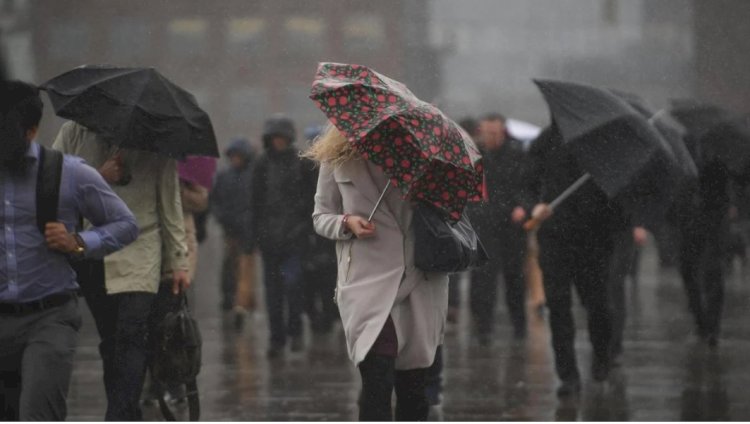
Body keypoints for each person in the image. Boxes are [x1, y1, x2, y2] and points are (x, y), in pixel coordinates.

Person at [0, 80, 138, 420]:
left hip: (49, 318)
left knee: (38, 412)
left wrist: (78, 242)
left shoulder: (67, 173)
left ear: (31, 131)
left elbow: (126, 225)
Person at [308, 124, 449, 421]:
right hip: (366, 283)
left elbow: (448, 213)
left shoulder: (420, 155)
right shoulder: (335, 157)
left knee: (413, 389)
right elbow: (321, 216)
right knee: (376, 382)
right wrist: (347, 223)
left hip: (417, 279)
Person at [53, 120, 190, 421]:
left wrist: (178, 260)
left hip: (142, 249)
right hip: (93, 248)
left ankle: (119, 414)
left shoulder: (156, 138)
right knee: (111, 340)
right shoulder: (74, 131)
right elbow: (51, 182)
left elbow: (170, 201)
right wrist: (97, 176)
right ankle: (125, 409)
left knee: (132, 333)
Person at [527, 124, 628, 397]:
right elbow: (526, 182)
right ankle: (567, 375)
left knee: (598, 307)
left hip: (593, 243)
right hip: (555, 240)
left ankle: (601, 357)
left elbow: (619, 197)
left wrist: (608, 222)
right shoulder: (545, 141)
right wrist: (534, 205)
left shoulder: (605, 146)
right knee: (558, 309)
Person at [251, 115, 317, 357]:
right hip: (269, 239)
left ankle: (295, 331)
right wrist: (256, 236)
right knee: (273, 294)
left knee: (294, 286)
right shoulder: (261, 165)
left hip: (295, 237)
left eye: (282, 137)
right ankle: (276, 339)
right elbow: (255, 202)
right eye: (274, 137)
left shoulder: (302, 163)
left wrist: (307, 230)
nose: (278, 142)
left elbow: (312, 200)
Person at [468, 113, 532, 343]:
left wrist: (522, 206)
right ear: (481, 131)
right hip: (484, 223)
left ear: (503, 131)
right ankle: (483, 328)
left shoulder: (517, 154)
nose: (491, 137)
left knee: (515, 278)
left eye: (495, 132)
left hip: (512, 225)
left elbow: (528, 185)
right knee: (483, 279)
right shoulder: (474, 155)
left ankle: (519, 326)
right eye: (488, 132)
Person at [210, 138, 256, 327]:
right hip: (230, 229)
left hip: (249, 230)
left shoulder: (252, 176)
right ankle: (230, 298)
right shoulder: (224, 177)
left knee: (245, 267)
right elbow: (215, 201)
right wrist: (222, 217)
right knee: (230, 264)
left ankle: (243, 302)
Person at [302, 125, 338, 334]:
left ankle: (329, 314)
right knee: (311, 279)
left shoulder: (333, 165)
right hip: (308, 231)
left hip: (327, 232)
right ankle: (318, 315)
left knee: (328, 277)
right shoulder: (300, 169)